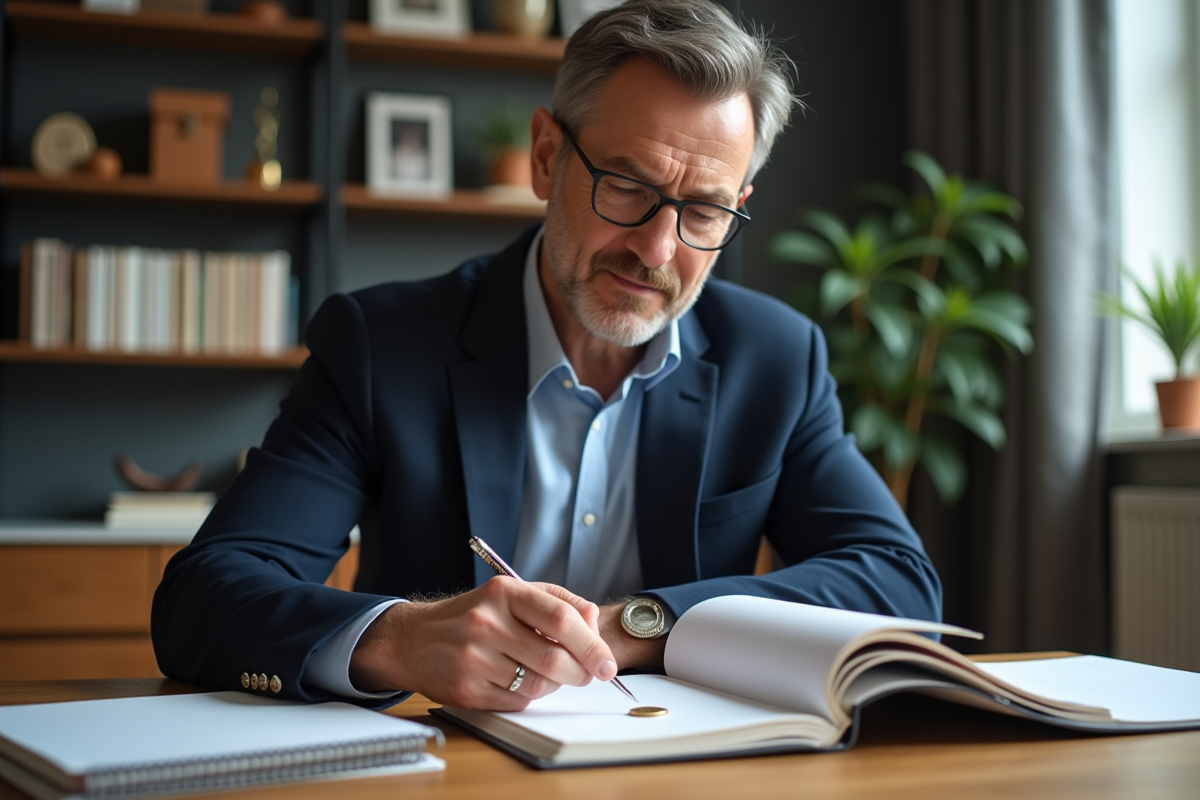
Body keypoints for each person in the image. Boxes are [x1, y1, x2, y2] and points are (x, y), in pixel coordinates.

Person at [152, 0, 941, 712]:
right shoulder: (379, 345)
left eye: (701, 211)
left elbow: (900, 584)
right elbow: (202, 599)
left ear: (737, 209)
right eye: (626, 188)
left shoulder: (775, 357)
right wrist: (402, 638)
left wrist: (642, 622)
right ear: (543, 156)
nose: (657, 249)